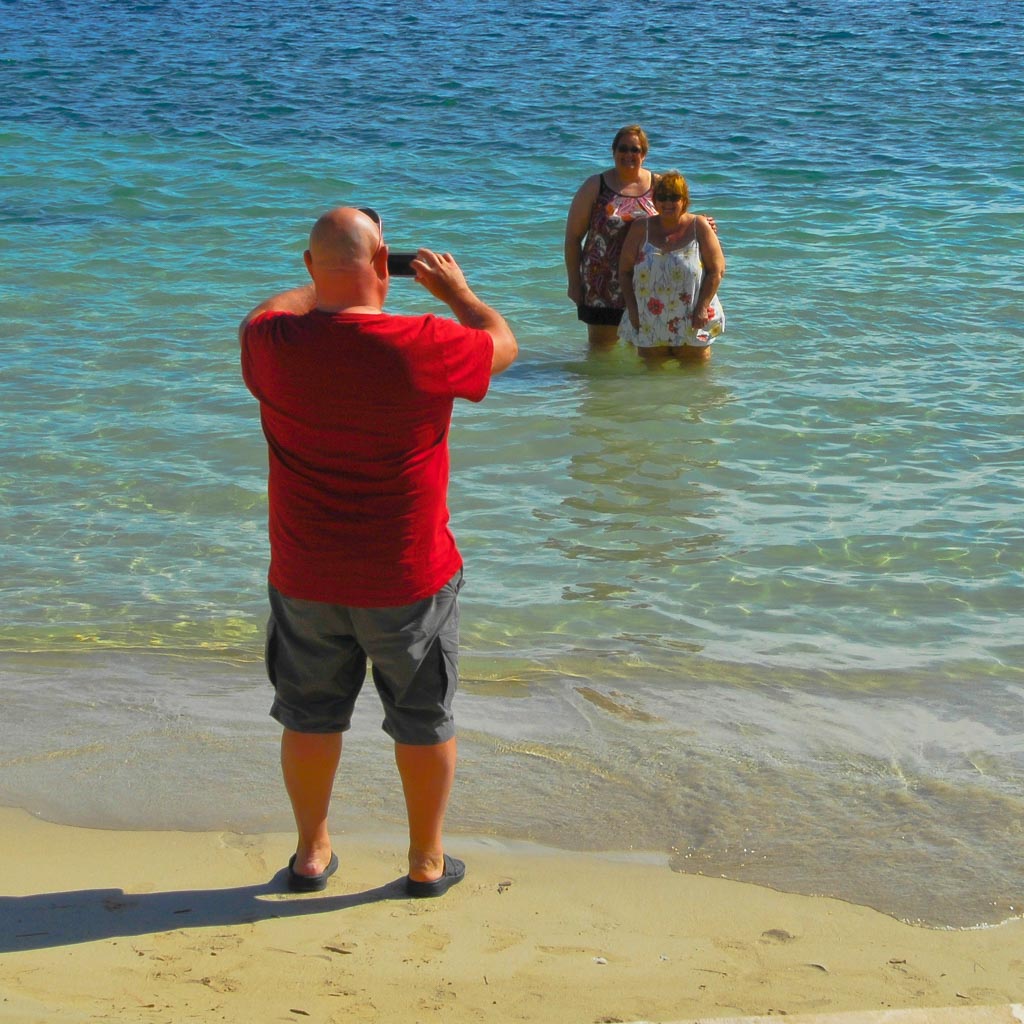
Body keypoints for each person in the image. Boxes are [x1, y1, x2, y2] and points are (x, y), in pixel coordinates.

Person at [239, 206, 518, 898]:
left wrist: (323, 284)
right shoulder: (424, 340)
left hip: (306, 571)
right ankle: (425, 862)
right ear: (383, 262)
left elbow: (266, 311)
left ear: (311, 267)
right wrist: (458, 295)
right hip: (408, 574)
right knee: (422, 719)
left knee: (308, 716)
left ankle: (311, 854)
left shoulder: (271, 343)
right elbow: (501, 345)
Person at [564, 125, 660, 349]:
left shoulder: (659, 185)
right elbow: (572, 238)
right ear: (613, 152)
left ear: (644, 155)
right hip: (601, 283)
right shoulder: (595, 185)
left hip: (646, 283)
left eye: (635, 150)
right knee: (601, 353)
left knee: (645, 350)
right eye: (623, 149)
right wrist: (574, 282)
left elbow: (678, 220)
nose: (628, 155)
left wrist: (703, 222)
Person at [618, 170, 726, 362]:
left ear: (684, 200)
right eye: (662, 197)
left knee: (694, 384)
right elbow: (624, 272)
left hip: (693, 320)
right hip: (649, 319)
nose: (668, 203)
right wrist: (633, 310)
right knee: (652, 383)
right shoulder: (641, 228)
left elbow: (717, 271)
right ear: (654, 200)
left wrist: (702, 307)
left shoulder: (699, 226)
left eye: (674, 197)